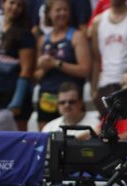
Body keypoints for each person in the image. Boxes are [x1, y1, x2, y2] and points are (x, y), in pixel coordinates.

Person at [34, 0, 91, 131]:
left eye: (65, 10)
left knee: (74, 138)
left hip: (71, 97)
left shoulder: (77, 36)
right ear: (49, 14)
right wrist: (44, 67)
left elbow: (85, 70)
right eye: (58, 10)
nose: (63, 13)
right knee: (46, 137)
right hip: (47, 97)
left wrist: (56, 63)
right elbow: (35, 75)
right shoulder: (43, 40)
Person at [0, 0, 36, 132]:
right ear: (3, 4)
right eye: (12, 3)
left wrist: (17, 100)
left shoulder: (25, 35)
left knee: (16, 139)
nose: (15, 8)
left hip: (12, 94)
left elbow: (27, 69)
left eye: (19, 5)